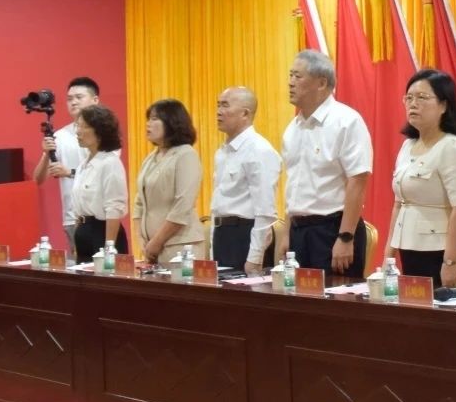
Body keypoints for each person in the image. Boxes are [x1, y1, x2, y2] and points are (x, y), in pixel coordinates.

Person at [282, 50, 371, 278]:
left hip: (332, 231)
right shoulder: (292, 129)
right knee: (296, 299)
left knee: (335, 299)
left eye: (297, 76)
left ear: (321, 83)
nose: (290, 82)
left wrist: (346, 237)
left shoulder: (346, 121)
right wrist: (286, 234)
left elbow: (358, 180)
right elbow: (293, 186)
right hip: (298, 232)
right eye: (290, 75)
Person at [385, 69, 456, 288]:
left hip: (442, 252)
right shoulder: (408, 146)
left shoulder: (452, 146)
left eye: (422, 97)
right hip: (410, 248)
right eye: (409, 98)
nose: (413, 104)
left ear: (443, 105)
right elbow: (399, 204)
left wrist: (450, 262)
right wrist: (388, 257)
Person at [211, 86, 281, 274]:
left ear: (245, 113)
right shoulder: (222, 152)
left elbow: (265, 210)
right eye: (218, 105)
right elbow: (218, 205)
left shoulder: (259, 150)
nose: (218, 111)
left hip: (245, 236)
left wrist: (255, 257)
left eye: (225, 105)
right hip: (222, 235)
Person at [32, 77, 101, 252]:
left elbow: (102, 172)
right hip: (72, 218)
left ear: (95, 100)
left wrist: (69, 172)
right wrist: (46, 154)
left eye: (79, 97)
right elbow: (38, 179)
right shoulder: (60, 136)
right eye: (69, 99)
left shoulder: (105, 133)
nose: (73, 102)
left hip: (100, 216)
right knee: (77, 266)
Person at [133, 99, 206, 264]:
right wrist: (140, 239)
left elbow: (183, 205)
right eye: (148, 119)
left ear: (172, 122)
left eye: (154, 119)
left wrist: (157, 242)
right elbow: (139, 203)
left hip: (180, 246)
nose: (148, 124)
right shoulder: (151, 157)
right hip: (151, 247)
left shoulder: (186, 154)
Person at [69, 104, 128, 263]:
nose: (78, 131)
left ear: (100, 131)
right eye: (78, 126)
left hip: (102, 232)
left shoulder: (110, 162)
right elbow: (78, 208)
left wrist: (109, 247)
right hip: (83, 230)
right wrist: (77, 240)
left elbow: (114, 207)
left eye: (84, 127)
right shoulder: (83, 165)